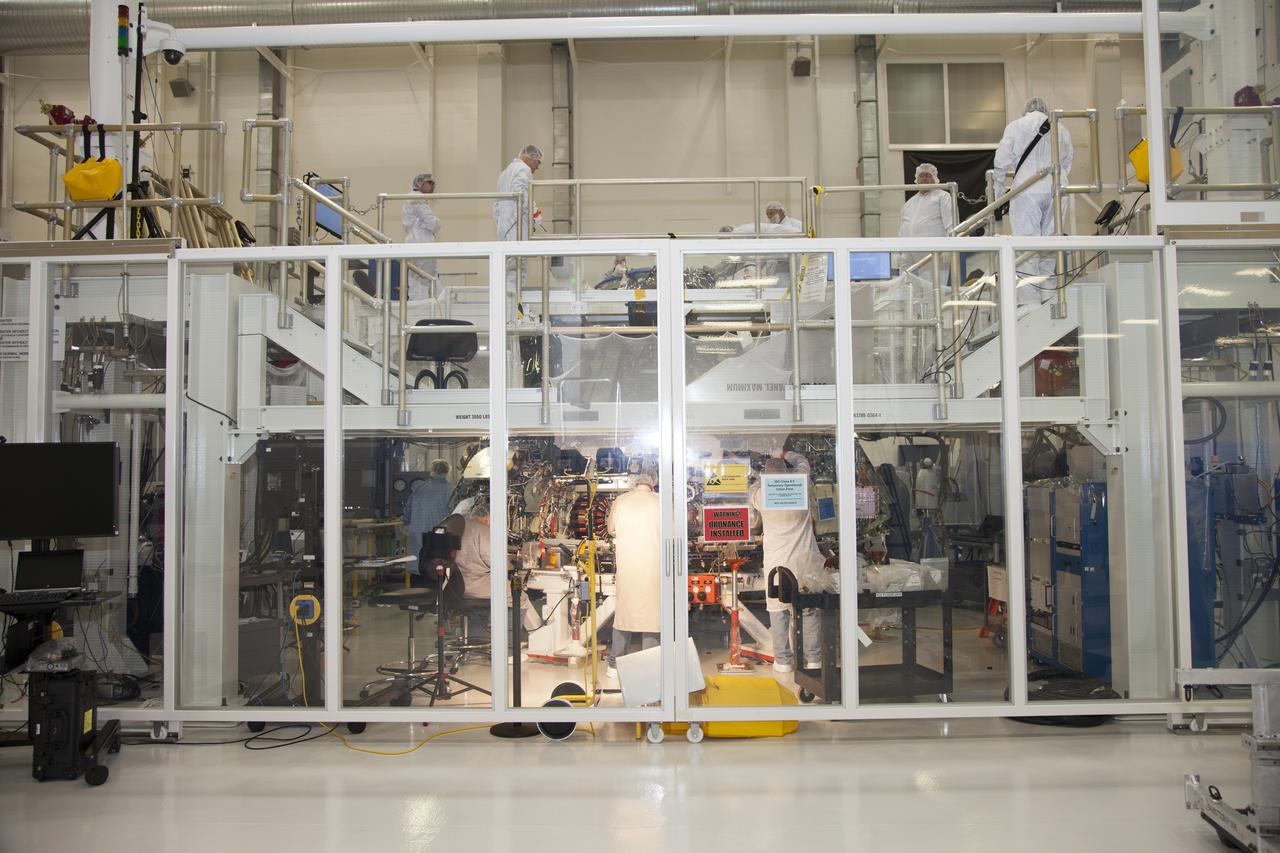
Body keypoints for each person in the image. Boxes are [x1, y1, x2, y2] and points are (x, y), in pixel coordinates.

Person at [748, 452, 827, 674]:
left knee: (778, 609)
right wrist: (786, 453)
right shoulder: (800, 485)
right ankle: (813, 660)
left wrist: (758, 475)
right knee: (808, 609)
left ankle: (783, 661)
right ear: (786, 471)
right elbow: (804, 464)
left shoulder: (762, 494)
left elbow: (751, 491)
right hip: (804, 560)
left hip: (777, 562)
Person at [994, 96, 1073, 308]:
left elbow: (1001, 160)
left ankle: (1029, 301)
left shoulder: (1016, 126)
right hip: (1057, 188)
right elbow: (1067, 161)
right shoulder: (1061, 128)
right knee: (1050, 242)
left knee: (1026, 245)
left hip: (1027, 188)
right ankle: (1048, 294)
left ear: (1025, 109)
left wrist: (999, 190)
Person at [605, 473, 662, 676]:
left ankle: (615, 664)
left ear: (635, 482)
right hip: (653, 567)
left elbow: (611, 529)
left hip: (628, 565)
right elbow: (674, 532)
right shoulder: (660, 502)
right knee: (653, 618)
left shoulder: (621, 501)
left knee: (624, 615)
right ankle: (650, 665)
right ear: (653, 483)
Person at [453, 500, 539, 631]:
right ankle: (509, 642)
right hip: (473, 584)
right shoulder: (482, 530)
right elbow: (497, 562)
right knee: (519, 596)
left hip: (453, 585)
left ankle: (482, 634)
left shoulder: (461, 525)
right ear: (488, 518)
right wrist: (516, 559)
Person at [402, 459, 453, 580]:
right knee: (436, 574)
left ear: (432, 471)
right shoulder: (450, 490)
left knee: (417, 576)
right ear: (447, 472)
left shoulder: (419, 488)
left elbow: (407, 515)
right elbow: (456, 517)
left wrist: (408, 526)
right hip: (438, 540)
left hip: (416, 540)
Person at [898, 162, 955, 267]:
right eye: (921, 175)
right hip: (909, 254)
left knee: (933, 283)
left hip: (933, 254)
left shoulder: (942, 196)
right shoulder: (909, 203)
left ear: (935, 178)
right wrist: (899, 252)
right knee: (908, 283)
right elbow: (902, 229)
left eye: (928, 175)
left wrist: (949, 248)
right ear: (916, 179)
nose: (924, 178)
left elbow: (951, 224)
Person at [402, 172, 441, 301]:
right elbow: (433, 223)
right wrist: (437, 222)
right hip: (421, 242)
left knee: (424, 276)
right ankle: (420, 307)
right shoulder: (417, 198)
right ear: (420, 184)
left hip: (416, 242)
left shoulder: (413, 198)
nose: (432, 186)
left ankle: (442, 301)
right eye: (429, 183)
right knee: (422, 278)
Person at [493, 144, 543, 242]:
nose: (537, 167)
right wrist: (535, 215)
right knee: (519, 256)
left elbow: (496, 203)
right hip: (516, 224)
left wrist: (500, 222)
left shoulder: (504, 173)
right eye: (539, 162)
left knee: (507, 255)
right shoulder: (524, 169)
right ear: (532, 157)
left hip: (503, 227)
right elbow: (521, 194)